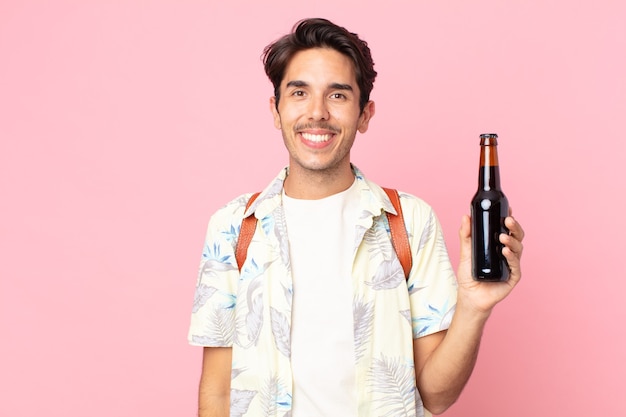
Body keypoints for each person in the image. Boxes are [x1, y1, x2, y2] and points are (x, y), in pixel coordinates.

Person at [188, 17, 525, 417]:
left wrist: (473, 307)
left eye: (338, 96)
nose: (317, 113)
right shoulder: (232, 228)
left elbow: (436, 396)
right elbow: (218, 394)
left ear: (365, 114)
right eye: (299, 92)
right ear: (276, 110)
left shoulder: (409, 221)